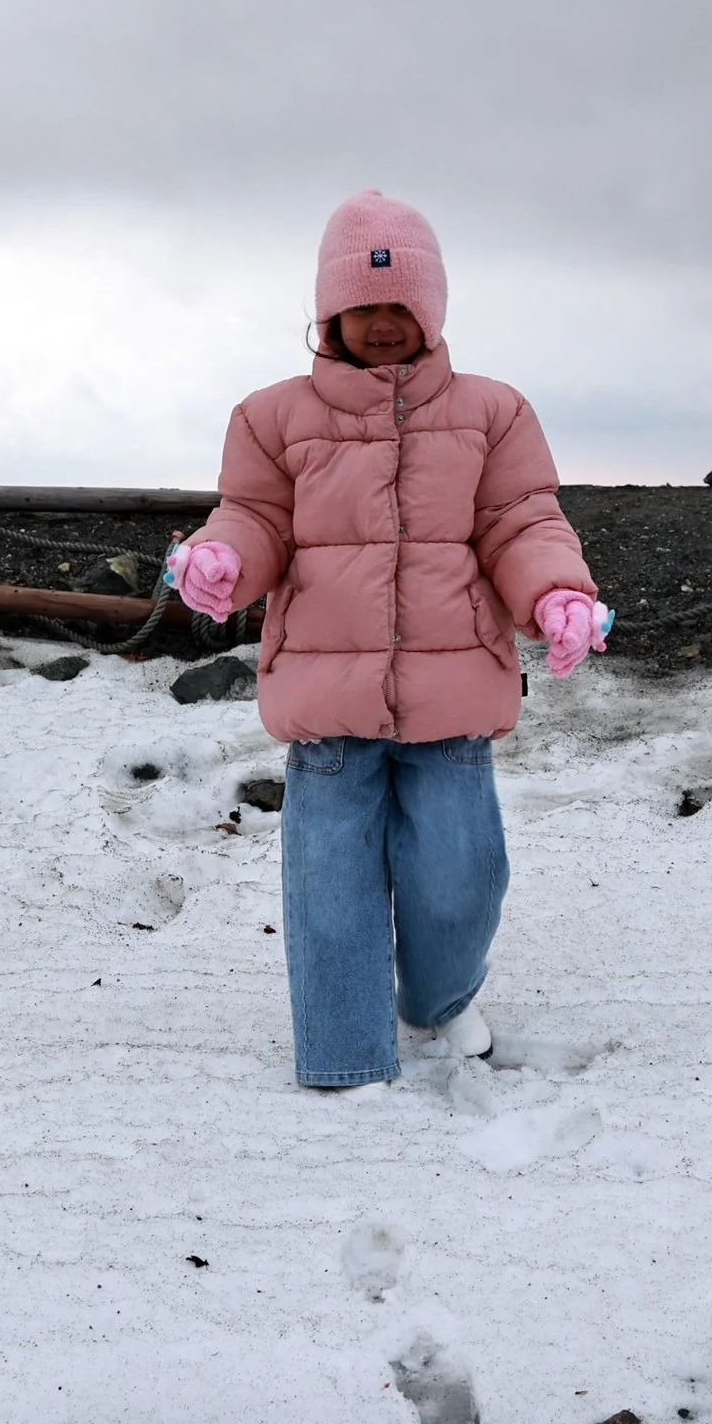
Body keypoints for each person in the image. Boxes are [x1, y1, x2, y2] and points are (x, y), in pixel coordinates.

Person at [168, 191, 607, 1090]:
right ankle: (344, 1060)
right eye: (361, 305)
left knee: (460, 877)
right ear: (328, 313)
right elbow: (252, 518)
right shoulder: (271, 418)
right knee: (331, 894)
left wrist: (557, 592)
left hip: (452, 705)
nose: (380, 323)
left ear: (432, 309)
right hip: (329, 709)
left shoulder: (494, 414)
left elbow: (523, 520)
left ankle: (438, 1001)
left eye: (400, 304)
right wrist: (222, 560)